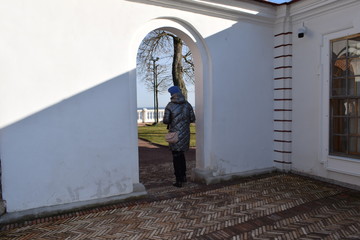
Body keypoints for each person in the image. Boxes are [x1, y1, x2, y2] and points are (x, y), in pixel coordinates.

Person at [163, 86, 196, 188]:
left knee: (176, 157)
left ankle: (178, 180)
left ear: (172, 94)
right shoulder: (188, 105)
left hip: (175, 134)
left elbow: (166, 121)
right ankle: (184, 176)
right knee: (181, 155)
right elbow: (192, 118)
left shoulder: (170, 105)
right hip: (185, 134)